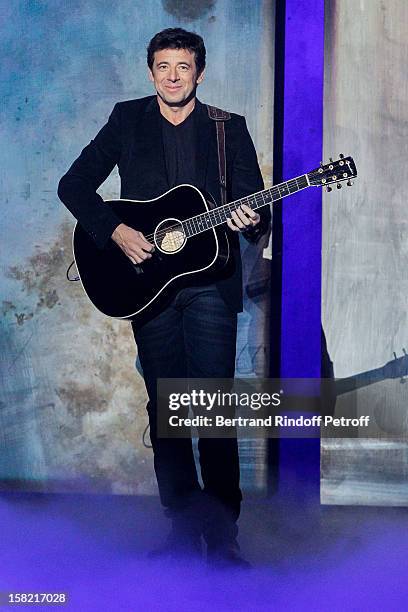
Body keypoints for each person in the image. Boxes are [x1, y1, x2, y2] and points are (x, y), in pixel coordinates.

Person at [58, 27, 271, 568]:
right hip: (148, 288)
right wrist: (115, 232)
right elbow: (74, 185)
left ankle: (222, 538)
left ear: (200, 71)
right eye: (163, 66)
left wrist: (252, 217)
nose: (173, 76)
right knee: (168, 412)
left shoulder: (229, 129)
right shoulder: (127, 119)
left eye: (183, 66)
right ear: (150, 71)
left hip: (210, 286)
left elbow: (254, 205)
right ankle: (182, 529)